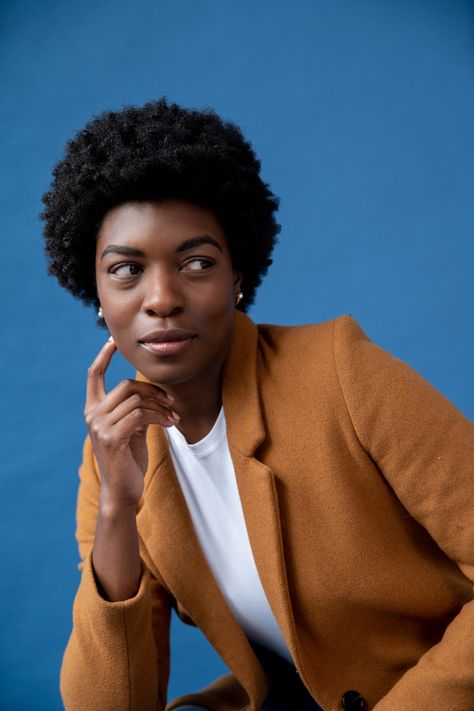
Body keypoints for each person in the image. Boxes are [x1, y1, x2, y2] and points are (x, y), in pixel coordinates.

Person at [41, 98, 474, 711]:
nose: (161, 298)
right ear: (97, 294)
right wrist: (117, 512)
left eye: (196, 263)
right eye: (127, 269)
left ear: (237, 275)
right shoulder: (114, 459)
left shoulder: (339, 372)